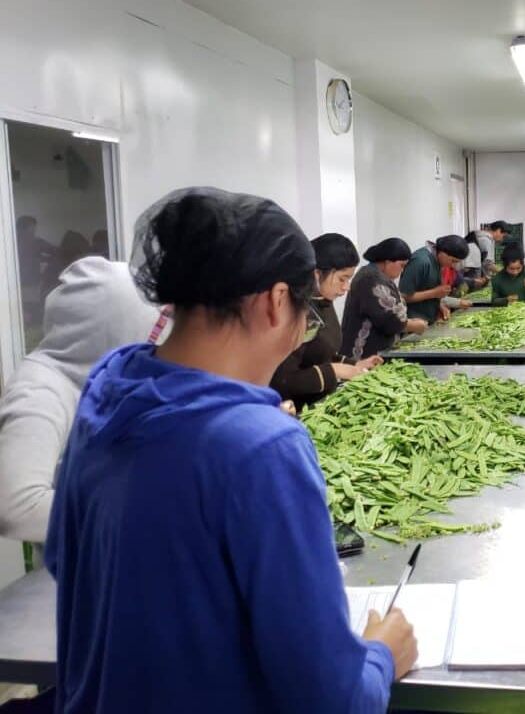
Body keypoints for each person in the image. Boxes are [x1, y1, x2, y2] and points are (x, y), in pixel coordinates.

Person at [45, 187, 417, 713]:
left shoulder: (107, 396)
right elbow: (332, 698)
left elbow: (70, 566)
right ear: (274, 300)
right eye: (305, 309)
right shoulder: (262, 446)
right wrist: (382, 655)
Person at [0, 258, 163, 547]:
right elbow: (15, 506)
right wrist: (135, 518)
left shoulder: (104, 385)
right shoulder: (40, 389)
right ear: (111, 328)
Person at [270, 234, 382, 412]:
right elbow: (282, 381)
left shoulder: (323, 303)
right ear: (316, 274)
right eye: (342, 279)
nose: (346, 287)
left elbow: (320, 353)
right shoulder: (297, 311)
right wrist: (335, 371)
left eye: (349, 279)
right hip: (296, 414)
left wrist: (354, 365)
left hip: (320, 405)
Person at [341, 237, 428, 361]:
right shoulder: (370, 279)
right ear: (387, 262)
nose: (402, 271)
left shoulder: (377, 276)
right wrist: (414, 325)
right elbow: (389, 320)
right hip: (364, 355)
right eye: (401, 266)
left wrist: (407, 320)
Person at [400, 235, 469, 324]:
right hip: (414, 322)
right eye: (453, 261)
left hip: (427, 320)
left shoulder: (437, 260)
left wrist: (440, 305)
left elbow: (425, 288)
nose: (453, 265)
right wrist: (434, 293)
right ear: (443, 253)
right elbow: (403, 297)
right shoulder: (421, 261)